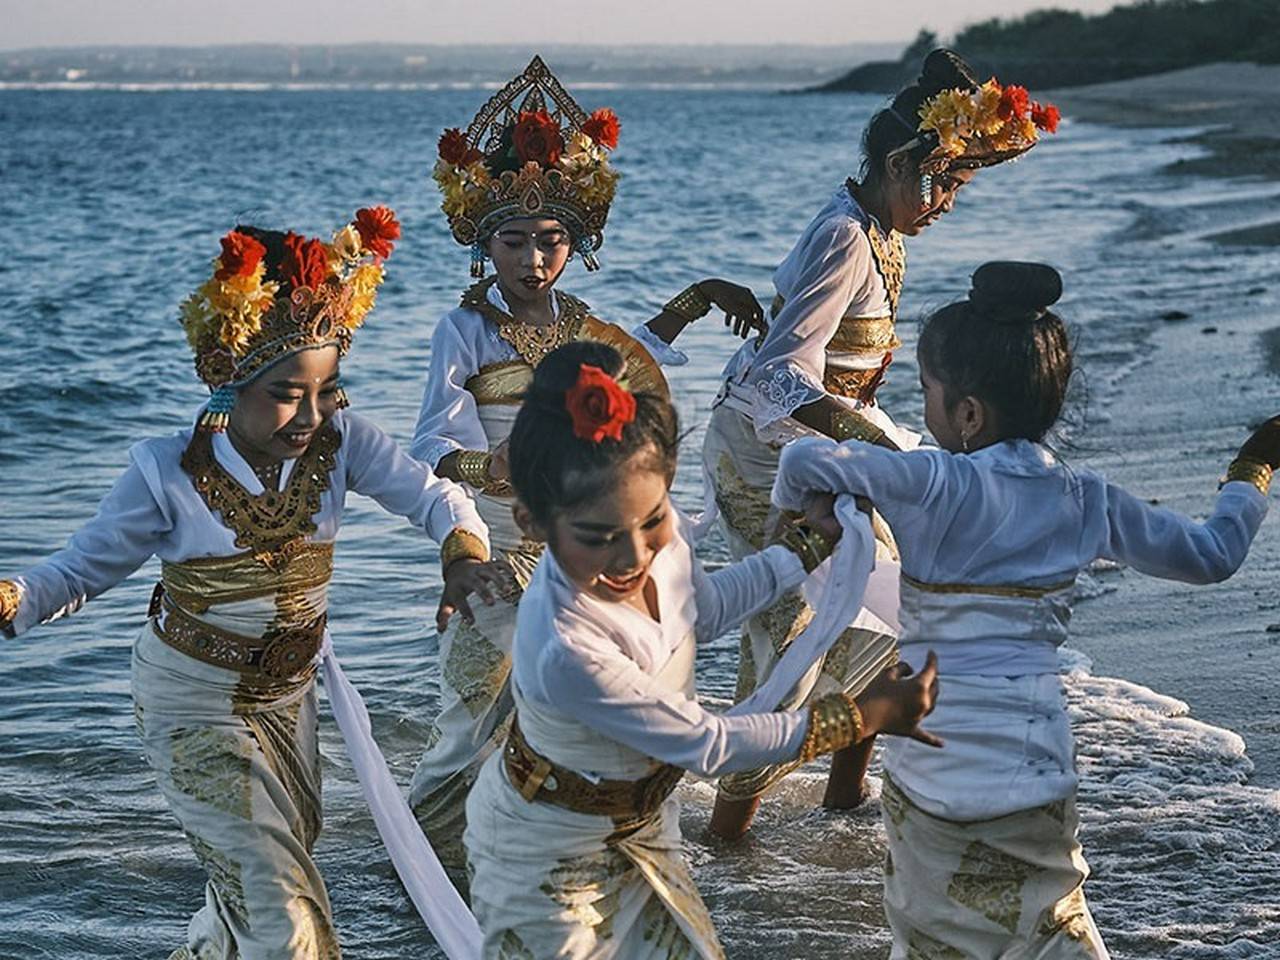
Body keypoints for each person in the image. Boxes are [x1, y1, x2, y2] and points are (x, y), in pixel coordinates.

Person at [0, 210, 491, 959]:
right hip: (191, 703)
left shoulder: (342, 442)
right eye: (289, 393)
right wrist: (14, 599)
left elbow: (433, 495)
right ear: (231, 377)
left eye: (327, 390)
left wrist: (460, 550)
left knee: (258, 894)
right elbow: (75, 571)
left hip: (288, 703)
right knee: (284, 914)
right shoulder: (165, 473)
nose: (311, 414)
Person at [772, 261, 1276, 958]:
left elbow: (804, 463)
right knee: (1045, 930)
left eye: (929, 394)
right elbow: (1212, 555)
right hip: (1035, 763)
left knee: (935, 936)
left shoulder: (927, 479)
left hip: (931, 760)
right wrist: (1250, 470)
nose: (926, 409)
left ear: (968, 413)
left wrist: (809, 515)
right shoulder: (1083, 497)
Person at [408, 55, 765, 888]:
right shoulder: (462, 333)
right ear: (481, 244)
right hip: (495, 550)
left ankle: (568, 855)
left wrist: (698, 296)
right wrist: (484, 464)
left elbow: (634, 375)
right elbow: (427, 445)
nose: (534, 261)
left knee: (591, 710)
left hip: (580, 553)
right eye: (515, 242)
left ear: (577, 244)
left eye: (552, 242)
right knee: (470, 718)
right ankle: (423, 870)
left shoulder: (585, 325)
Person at [459, 340, 940, 958]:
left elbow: (702, 611)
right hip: (549, 863)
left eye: (653, 521)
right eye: (598, 538)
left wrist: (805, 548)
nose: (634, 556)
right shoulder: (565, 646)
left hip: (642, 825)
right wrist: (867, 717)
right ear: (531, 523)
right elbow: (710, 745)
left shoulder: (656, 541)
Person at [704, 49, 1062, 838]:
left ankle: (844, 793)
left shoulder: (879, 227)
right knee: (785, 634)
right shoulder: (845, 236)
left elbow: (843, 372)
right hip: (765, 453)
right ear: (901, 162)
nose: (947, 205)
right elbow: (780, 378)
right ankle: (727, 834)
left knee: (911, 592)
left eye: (959, 189)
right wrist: (883, 450)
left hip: (831, 442)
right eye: (943, 183)